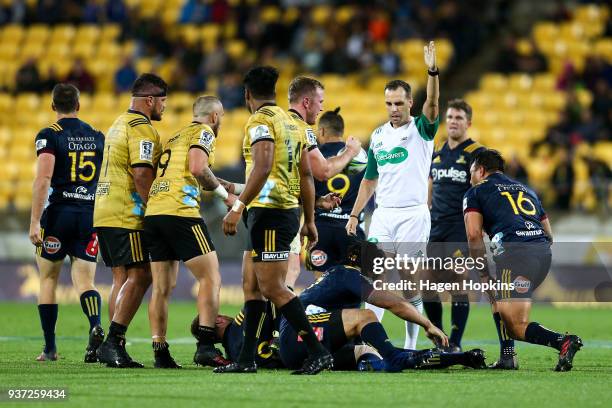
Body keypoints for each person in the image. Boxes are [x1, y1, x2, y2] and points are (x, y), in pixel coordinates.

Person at [214, 66, 333, 375]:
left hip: (270, 212)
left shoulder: (261, 121)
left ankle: (318, 352)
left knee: (273, 289)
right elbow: (306, 174)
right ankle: (245, 359)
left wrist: (237, 207)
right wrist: (309, 219)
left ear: (247, 95)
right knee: (251, 287)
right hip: (277, 213)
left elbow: (263, 165)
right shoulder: (292, 122)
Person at [346, 41, 440, 349]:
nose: (394, 109)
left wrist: (432, 71)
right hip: (383, 215)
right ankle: (374, 344)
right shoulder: (378, 136)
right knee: (375, 280)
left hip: (413, 214)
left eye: (399, 103)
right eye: (389, 104)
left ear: (410, 103)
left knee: (411, 281)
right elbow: (369, 180)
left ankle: (412, 343)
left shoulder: (422, 130)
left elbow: (434, 104)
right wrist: (355, 213)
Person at [464, 149, 582, 371]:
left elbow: (473, 235)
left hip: (515, 256)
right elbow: (549, 233)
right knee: (497, 299)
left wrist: (482, 272)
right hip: (541, 255)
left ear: (480, 170)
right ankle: (507, 357)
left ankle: (563, 341)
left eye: (471, 172)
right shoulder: (526, 189)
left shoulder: (476, 192)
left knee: (516, 326)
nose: (469, 178)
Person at [143, 96, 236, 368]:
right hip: (180, 213)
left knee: (161, 287)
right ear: (215, 117)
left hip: (155, 212)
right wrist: (224, 197)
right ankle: (206, 346)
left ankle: (160, 351)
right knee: (211, 277)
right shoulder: (204, 132)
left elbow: (190, 171)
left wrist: (227, 185)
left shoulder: (176, 137)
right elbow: (197, 168)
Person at [93, 73, 167, 368]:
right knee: (142, 275)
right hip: (127, 212)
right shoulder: (141, 128)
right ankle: (113, 342)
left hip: (105, 209)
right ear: (150, 100)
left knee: (122, 277)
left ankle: (114, 347)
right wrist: (154, 207)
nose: (164, 107)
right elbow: (141, 173)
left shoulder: (118, 123)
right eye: (162, 101)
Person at [29, 83, 105, 362]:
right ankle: (95, 324)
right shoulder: (98, 136)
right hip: (89, 214)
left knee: (48, 278)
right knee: (85, 279)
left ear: (52, 106)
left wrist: (35, 221)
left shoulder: (50, 135)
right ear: (79, 105)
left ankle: (49, 348)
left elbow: (43, 179)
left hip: (59, 215)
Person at [423, 99, 485, 352]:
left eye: (459, 117)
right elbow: (430, 184)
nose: (453, 122)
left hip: (460, 228)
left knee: (458, 280)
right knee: (427, 283)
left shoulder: (476, 152)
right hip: (435, 227)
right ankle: (440, 338)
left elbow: (482, 191)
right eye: (449, 117)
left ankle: (456, 344)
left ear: (468, 123)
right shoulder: (437, 151)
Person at [306, 107, 367, 274]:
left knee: (321, 287)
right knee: (354, 285)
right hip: (351, 228)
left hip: (321, 230)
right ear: (341, 131)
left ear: (322, 130)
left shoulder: (313, 157)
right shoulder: (361, 157)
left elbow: (306, 192)